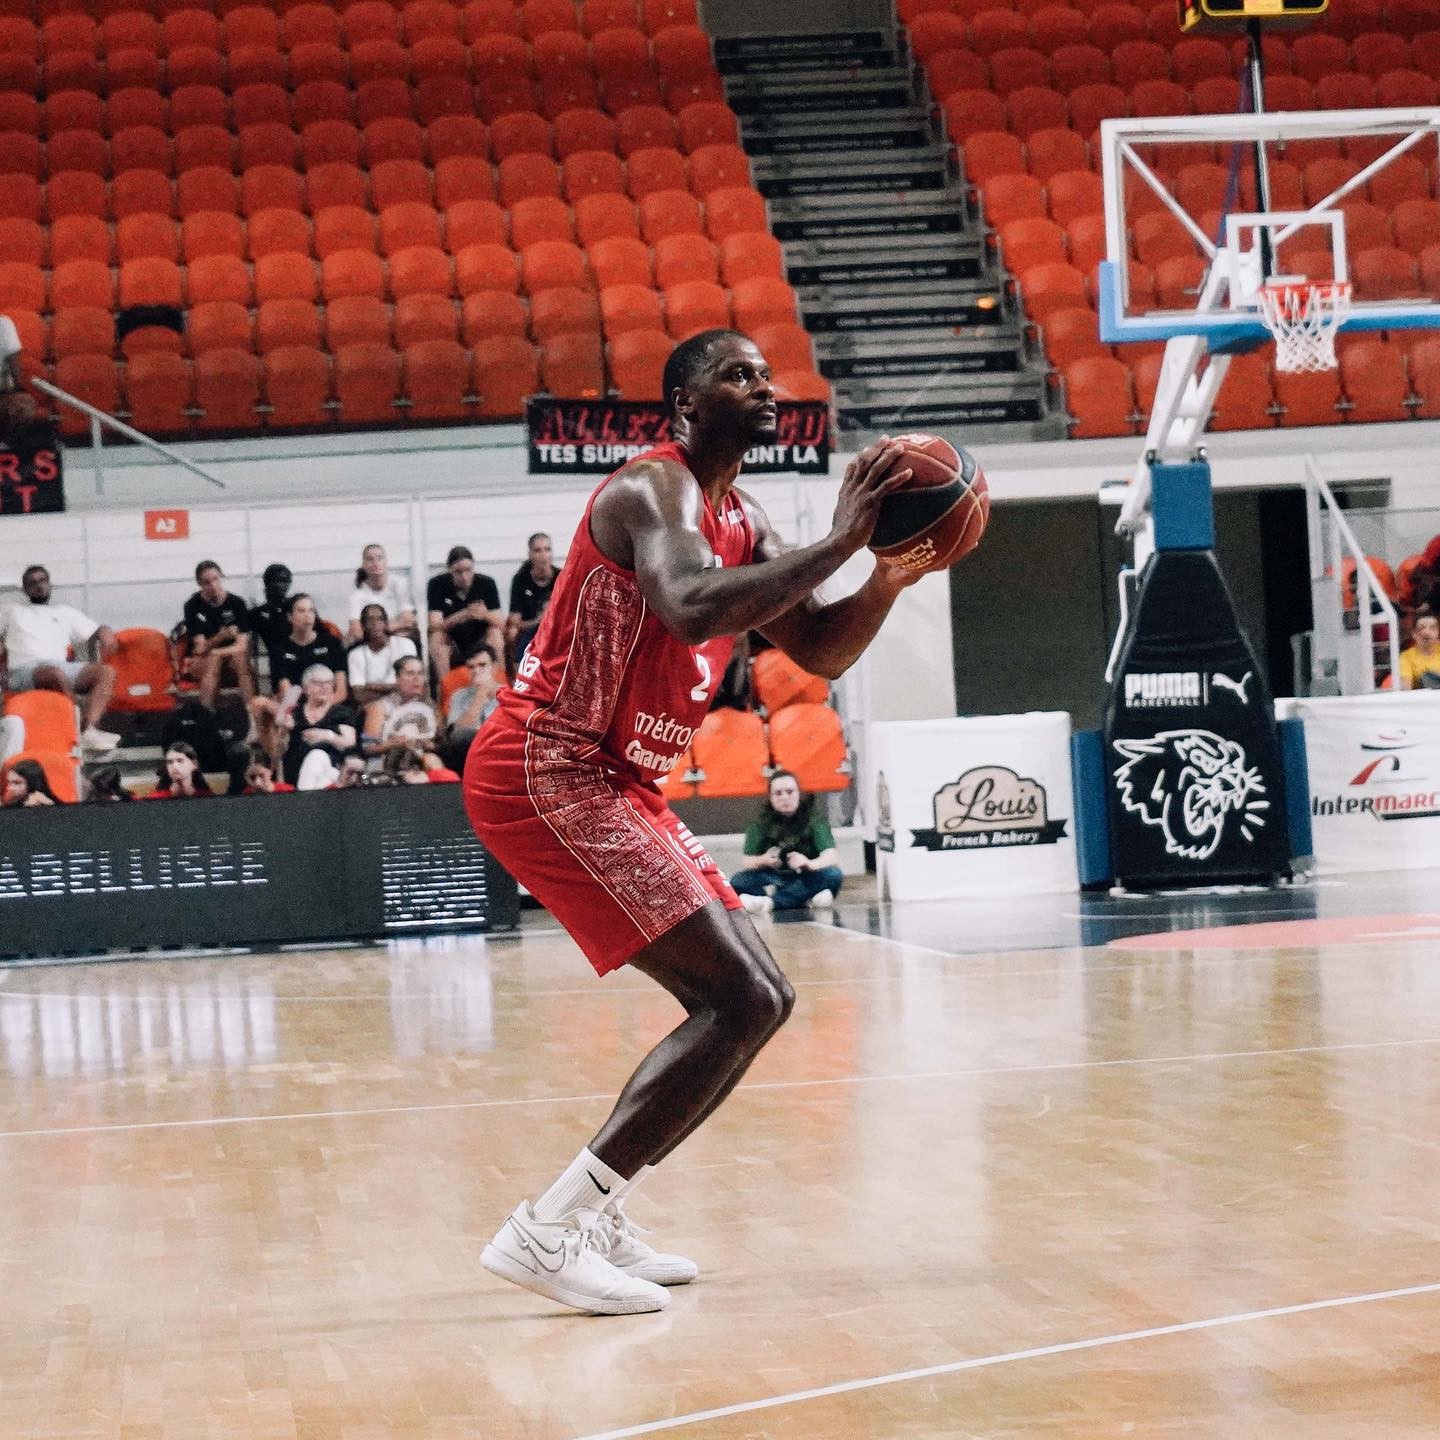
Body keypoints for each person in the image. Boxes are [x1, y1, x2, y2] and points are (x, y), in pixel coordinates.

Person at [463, 328, 918, 1316]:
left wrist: (886, 577)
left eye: (767, 374)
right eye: (737, 375)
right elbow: (689, 604)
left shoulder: (742, 518)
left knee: (762, 999)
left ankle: (594, 1210)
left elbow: (820, 649)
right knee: (740, 998)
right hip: (549, 764)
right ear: (684, 405)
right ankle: (547, 1230)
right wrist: (843, 539)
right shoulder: (650, 488)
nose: (764, 387)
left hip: (615, 779)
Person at [0, 563, 121, 753]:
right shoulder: (11, 610)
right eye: (32, 583)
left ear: (50, 583)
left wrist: (105, 631)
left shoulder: (65, 612)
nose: (39, 585)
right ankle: (76, 728)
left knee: (105, 672)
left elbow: (95, 630)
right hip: (23, 671)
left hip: (60, 666)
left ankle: (89, 730)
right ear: (24, 589)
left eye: (42, 580)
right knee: (54, 674)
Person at [729, 771, 844, 914]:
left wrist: (808, 863)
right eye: (778, 793)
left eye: (790, 792)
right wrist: (764, 860)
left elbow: (831, 856)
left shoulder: (814, 819)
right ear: (770, 798)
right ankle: (803, 898)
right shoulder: (760, 822)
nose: (785, 798)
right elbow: (747, 861)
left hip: (805, 876)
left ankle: (772, 902)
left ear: (798, 794)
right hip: (773, 878)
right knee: (738, 881)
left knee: (833, 875)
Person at [250, 594, 348, 757]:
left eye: (311, 610)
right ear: (290, 617)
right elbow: (286, 690)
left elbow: (341, 691)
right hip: (295, 703)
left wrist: (321, 706)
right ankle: (275, 757)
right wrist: (302, 711)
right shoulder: (279, 648)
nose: (307, 615)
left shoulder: (331, 643)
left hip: (327, 701)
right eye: (301, 611)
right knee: (258, 703)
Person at [181, 560, 255, 708]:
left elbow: (242, 645)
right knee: (213, 662)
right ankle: (207, 713)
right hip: (203, 660)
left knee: (241, 660)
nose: (213, 585)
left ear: (221, 577)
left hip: (230, 657)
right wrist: (220, 637)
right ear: (200, 584)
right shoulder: (192, 605)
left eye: (216, 579)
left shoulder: (237, 603)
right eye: (207, 582)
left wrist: (218, 652)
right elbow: (200, 648)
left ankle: (252, 713)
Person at [427, 545, 504, 683]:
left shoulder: (486, 583)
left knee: (496, 635)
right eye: (458, 572)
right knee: (436, 639)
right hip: (452, 638)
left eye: (468, 570)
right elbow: (434, 626)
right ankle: (446, 688)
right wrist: (461, 615)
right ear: (449, 570)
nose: (464, 576)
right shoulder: (437, 584)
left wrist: (484, 615)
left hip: (480, 637)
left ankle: (501, 684)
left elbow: (500, 623)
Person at [276, 664, 356, 789]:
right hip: (296, 771)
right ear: (306, 688)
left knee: (316, 756)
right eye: (318, 683)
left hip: (330, 768)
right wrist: (285, 730)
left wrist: (328, 736)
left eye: (328, 683)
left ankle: (305, 798)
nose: (324, 687)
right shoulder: (294, 713)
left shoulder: (341, 713)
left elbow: (349, 743)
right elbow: (278, 751)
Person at [361, 654, 439, 764]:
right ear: (397, 678)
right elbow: (368, 748)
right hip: (385, 762)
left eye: (420, 673)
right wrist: (393, 744)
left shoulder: (431, 707)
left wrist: (427, 744)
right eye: (410, 674)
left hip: (422, 761)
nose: (416, 679)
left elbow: (440, 744)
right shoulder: (380, 707)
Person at [442, 642, 501, 769]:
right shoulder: (458, 696)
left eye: (482, 665)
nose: (476, 671)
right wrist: (481, 694)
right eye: (471, 667)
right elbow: (458, 734)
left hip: (501, 749)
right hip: (468, 753)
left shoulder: (510, 694)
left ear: (494, 667)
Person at [347, 602, 418, 707]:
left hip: (406, 704)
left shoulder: (405, 644)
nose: (375, 623)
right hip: (372, 707)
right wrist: (395, 689)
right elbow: (359, 695)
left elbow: (411, 685)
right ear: (363, 625)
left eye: (380, 619)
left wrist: (371, 686)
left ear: (386, 623)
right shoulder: (355, 654)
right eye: (370, 620)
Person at [345, 543, 416, 645]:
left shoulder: (400, 584)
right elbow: (356, 632)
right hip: (372, 643)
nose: (375, 563)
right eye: (370, 559)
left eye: (379, 558)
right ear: (363, 565)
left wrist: (375, 630)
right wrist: (394, 626)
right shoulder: (357, 595)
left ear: (386, 562)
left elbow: (408, 621)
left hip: (400, 640)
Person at [506, 531, 559, 664]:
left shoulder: (562, 577)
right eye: (538, 551)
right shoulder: (520, 579)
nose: (543, 555)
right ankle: (517, 671)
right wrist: (539, 620)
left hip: (558, 628)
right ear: (530, 554)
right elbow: (514, 622)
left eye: (547, 550)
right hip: (530, 629)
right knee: (512, 633)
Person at [249, 563, 294, 672]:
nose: (284, 585)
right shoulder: (257, 613)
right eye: (279, 581)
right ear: (268, 583)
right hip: (278, 657)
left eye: (286, 581)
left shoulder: (296, 607)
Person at [147, 741, 212, 799]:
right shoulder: (155, 799)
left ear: (194, 764)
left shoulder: (207, 798)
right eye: (170, 762)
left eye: (180, 761)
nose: (175, 766)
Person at [1399, 606, 1440, 690]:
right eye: (1422, 627)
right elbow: (1405, 689)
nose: (1427, 632)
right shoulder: (1405, 657)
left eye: (1433, 628)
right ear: (1414, 633)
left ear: (1438, 632)